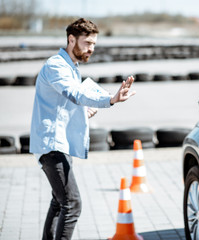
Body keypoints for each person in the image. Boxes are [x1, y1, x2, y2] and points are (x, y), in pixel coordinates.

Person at [29, 18, 136, 240]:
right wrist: (111, 99)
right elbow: (75, 94)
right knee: (72, 204)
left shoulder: (71, 67)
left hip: (57, 144)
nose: (92, 49)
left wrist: (82, 112)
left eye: (94, 44)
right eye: (87, 43)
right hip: (52, 145)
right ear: (71, 39)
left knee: (59, 203)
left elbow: (64, 104)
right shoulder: (56, 66)